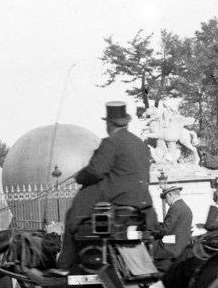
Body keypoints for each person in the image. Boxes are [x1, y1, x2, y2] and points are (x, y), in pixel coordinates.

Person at [58, 102, 153, 269]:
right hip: (140, 203)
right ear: (125, 122)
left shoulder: (111, 142)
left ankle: (67, 264)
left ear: (109, 124)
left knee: (72, 214)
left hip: (117, 200)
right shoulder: (139, 143)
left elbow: (96, 171)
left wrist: (79, 176)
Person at [152, 185, 193, 270]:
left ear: (170, 194)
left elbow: (165, 230)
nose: (165, 201)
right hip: (181, 250)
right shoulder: (185, 207)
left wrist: (153, 230)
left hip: (169, 251)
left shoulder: (175, 208)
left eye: (165, 197)